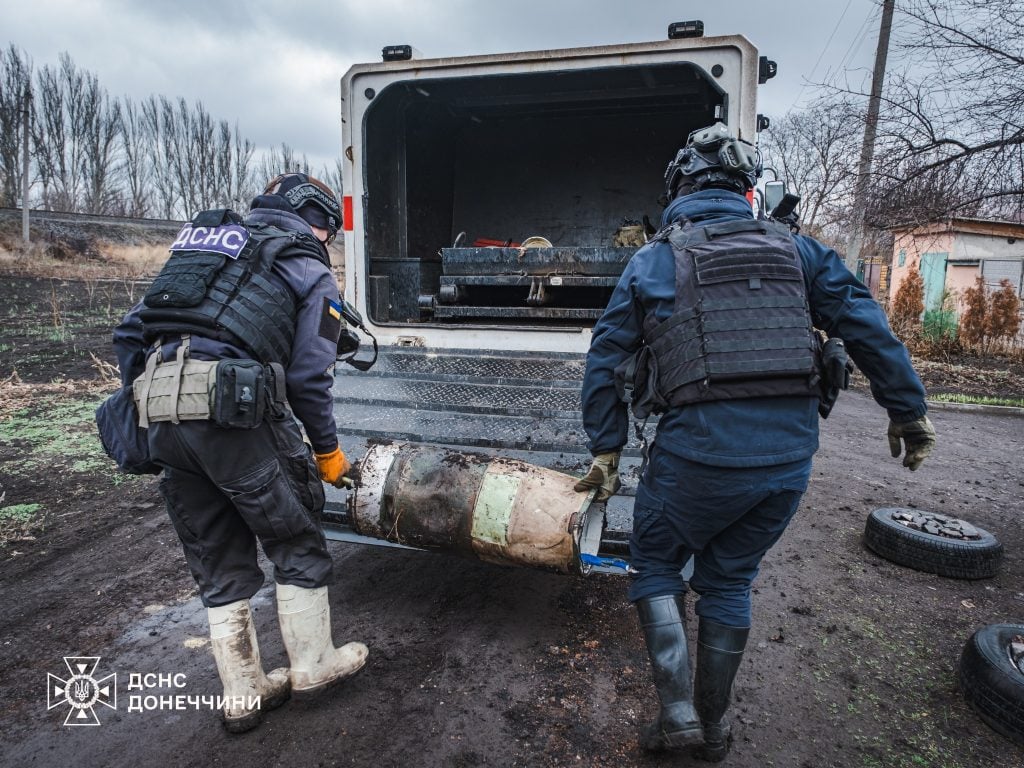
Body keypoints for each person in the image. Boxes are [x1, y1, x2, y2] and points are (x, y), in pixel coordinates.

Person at [575, 123, 936, 762]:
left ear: (678, 191)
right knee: (729, 580)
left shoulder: (654, 261)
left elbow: (607, 360)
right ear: (749, 191)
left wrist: (606, 452)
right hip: (786, 465)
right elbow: (867, 323)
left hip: (696, 459)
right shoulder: (802, 253)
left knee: (656, 565)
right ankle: (714, 730)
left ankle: (678, 715)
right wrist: (907, 410)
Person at [113, 173, 367, 733]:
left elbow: (130, 336)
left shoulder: (202, 249)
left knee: (216, 554)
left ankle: (244, 694)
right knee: (293, 534)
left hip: (160, 415)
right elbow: (305, 375)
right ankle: (313, 666)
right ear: (320, 223)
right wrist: (326, 451)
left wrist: (148, 395)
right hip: (235, 413)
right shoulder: (308, 264)